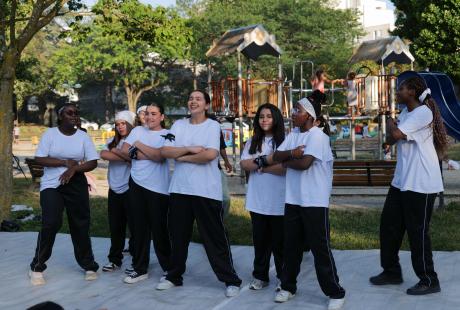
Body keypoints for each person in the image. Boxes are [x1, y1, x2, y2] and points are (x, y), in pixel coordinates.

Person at [369, 76, 448, 295]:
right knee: (389, 226)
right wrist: (390, 123)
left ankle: (429, 279)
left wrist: (388, 118)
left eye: (401, 89)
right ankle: (392, 271)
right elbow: (392, 138)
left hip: (421, 183)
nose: (397, 92)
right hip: (402, 181)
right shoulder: (406, 113)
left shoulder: (423, 112)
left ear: (412, 92)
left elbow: (395, 134)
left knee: (418, 232)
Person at [159, 90, 242, 297]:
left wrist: (183, 157)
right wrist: (191, 148)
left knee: (214, 238)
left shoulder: (212, 126)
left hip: (206, 192)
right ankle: (174, 276)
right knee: (178, 236)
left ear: (206, 105)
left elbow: (210, 155)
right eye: (190, 98)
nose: (192, 101)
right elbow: (165, 152)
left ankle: (230, 280)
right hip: (180, 190)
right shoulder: (178, 125)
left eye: (198, 99)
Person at [271, 97, 346, 310]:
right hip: (293, 200)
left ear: (310, 116)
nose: (293, 113)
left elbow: (305, 164)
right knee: (291, 246)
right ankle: (287, 286)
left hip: (314, 201)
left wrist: (288, 160)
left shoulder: (318, 137)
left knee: (319, 248)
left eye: (298, 110)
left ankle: (335, 291)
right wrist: (292, 154)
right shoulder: (294, 135)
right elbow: (276, 155)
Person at [29, 103, 100, 285]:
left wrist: (74, 169)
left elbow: (92, 162)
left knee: (80, 224)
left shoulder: (83, 136)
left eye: (76, 113)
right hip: (53, 184)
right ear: (60, 117)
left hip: (75, 183)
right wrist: (64, 163)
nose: (74, 116)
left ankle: (88, 265)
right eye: (69, 113)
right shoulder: (50, 134)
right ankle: (37, 266)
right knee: (51, 222)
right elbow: (40, 158)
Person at [121, 103, 171, 284]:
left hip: (158, 189)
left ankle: (169, 269)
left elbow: (161, 156)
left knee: (160, 230)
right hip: (136, 184)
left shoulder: (168, 134)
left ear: (162, 117)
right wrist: (150, 154)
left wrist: (139, 146)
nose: (149, 117)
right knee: (139, 228)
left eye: (154, 114)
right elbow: (124, 150)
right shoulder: (137, 131)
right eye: (147, 113)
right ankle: (140, 268)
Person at [240, 103, 286, 290]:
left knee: (280, 244)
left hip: (279, 201)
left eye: (268, 116)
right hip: (257, 201)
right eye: (261, 116)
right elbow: (244, 164)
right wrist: (267, 164)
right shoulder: (252, 142)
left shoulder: (285, 141)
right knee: (260, 243)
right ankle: (260, 276)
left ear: (275, 118)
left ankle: (284, 278)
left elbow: (284, 168)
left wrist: (259, 165)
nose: (265, 119)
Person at [100, 110, 136, 272]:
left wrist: (116, 152)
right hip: (114, 189)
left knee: (135, 226)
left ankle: (138, 260)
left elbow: (134, 158)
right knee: (116, 227)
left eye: (124, 124)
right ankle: (114, 259)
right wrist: (123, 156)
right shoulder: (111, 140)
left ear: (131, 124)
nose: (120, 127)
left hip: (131, 188)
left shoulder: (136, 140)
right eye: (118, 124)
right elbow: (104, 154)